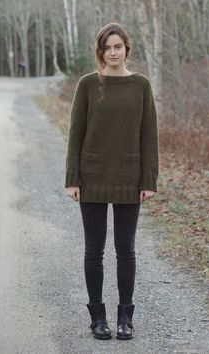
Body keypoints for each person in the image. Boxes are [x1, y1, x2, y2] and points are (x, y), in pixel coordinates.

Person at [65, 22, 159, 340]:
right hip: (91, 177)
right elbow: (75, 134)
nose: (113, 52)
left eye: (118, 46)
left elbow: (149, 136)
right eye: (108, 47)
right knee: (94, 250)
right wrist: (72, 178)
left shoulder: (141, 85)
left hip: (130, 178)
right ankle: (97, 318)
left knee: (126, 250)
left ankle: (125, 318)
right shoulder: (89, 85)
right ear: (101, 52)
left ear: (126, 49)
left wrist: (149, 180)